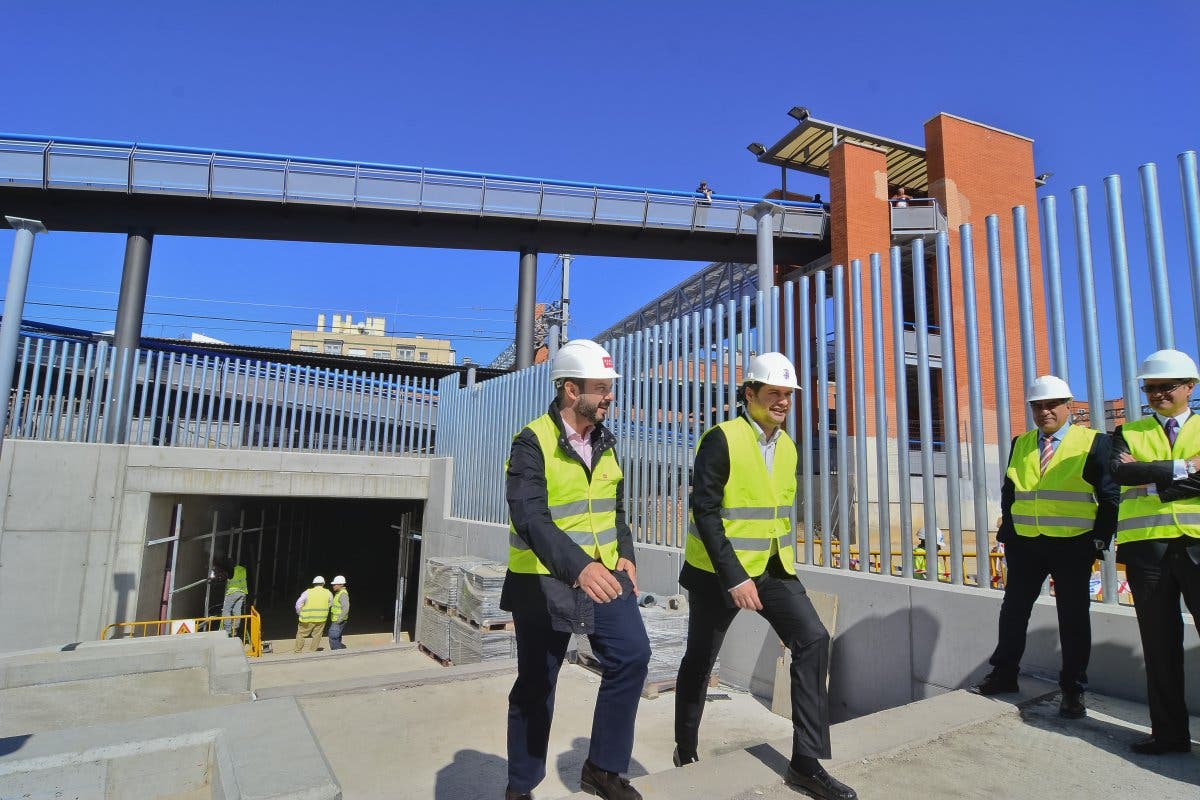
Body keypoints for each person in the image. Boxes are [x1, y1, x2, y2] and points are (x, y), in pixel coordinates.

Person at [674, 352, 856, 800]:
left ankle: (805, 765)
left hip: (773, 568)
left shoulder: (789, 445)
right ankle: (686, 750)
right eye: (773, 393)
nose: (782, 402)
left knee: (813, 639)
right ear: (749, 393)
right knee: (700, 661)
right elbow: (707, 511)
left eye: (787, 395)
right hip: (719, 573)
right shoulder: (722, 439)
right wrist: (734, 576)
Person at [501, 339, 650, 800]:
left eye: (610, 388)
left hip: (603, 575)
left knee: (632, 655)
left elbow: (616, 508)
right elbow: (529, 517)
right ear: (570, 390)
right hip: (544, 583)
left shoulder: (606, 443)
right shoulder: (531, 442)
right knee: (537, 684)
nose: (609, 397)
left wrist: (624, 550)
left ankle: (603, 769)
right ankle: (521, 785)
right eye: (600, 388)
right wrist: (579, 568)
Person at [972, 375, 1117, 719]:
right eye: (1037, 406)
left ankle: (1072, 691)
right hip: (1025, 543)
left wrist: (1099, 539)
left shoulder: (1094, 441)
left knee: (1073, 616)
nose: (1044, 411)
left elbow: (1110, 494)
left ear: (1069, 405)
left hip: (1072, 544)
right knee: (1014, 610)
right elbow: (1011, 490)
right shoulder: (1021, 443)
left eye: (1051, 405)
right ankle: (1004, 673)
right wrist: (1009, 529)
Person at [1110, 349, 1200, 754]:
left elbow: (1136, 475)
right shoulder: (1127, 431)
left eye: (1167, 386)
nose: (1158, 394)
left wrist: (1149, 480)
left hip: (1197, 547)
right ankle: (1169, 734)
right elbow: (1119, 473)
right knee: (1159, 647)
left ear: (1190, 387)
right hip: (1147, 551)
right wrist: (1185, 469)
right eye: (1151, 388)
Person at [294, 575, 333, 654]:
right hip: (321, 619)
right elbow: (330, 604)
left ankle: (297, 652)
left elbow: (298, 604)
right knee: (317, 636)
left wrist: (300, 613)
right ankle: (312, 652)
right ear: (323, 583)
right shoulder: (328, 593)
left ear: (314, 583)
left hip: (306, 619)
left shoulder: (307, 592)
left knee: (301, 634)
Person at [212, 557, 248, 637]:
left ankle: (227, 631)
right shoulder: (242, 569)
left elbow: (221, 578)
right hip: (242, 592)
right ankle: (235, 630)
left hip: (232, 592)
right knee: (237, 611)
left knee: (226, 611)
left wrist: (213, 579)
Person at [328, 576, 350, 650]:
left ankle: (337, 653)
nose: (333, 586)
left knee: (333, 637)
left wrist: (339, 619)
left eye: (335, 584)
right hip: (337, 619)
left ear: (341, 584)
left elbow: (346, 607)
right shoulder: (339, 593)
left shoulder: (343, 594)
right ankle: (340, 650)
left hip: (338, 620)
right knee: (337, 636)